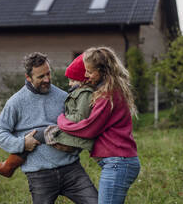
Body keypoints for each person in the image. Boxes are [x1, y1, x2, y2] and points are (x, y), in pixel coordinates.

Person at [0, 52, 98, 204]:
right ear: (28, 77)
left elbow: (77, 125)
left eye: (48, 74)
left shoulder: (62, 96)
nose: (47, 79)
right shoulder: (16, 102)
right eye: (41, 77)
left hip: (71, 169)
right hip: (39, 175)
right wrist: (22, 143)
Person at [57, 47, 141, 204]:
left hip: (118, 163)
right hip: (120, 161)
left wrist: (62, 121)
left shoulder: (107, 95)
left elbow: (88, 129)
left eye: (90, 71)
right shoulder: (112, 89)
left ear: (104, 71)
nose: (86, 76)